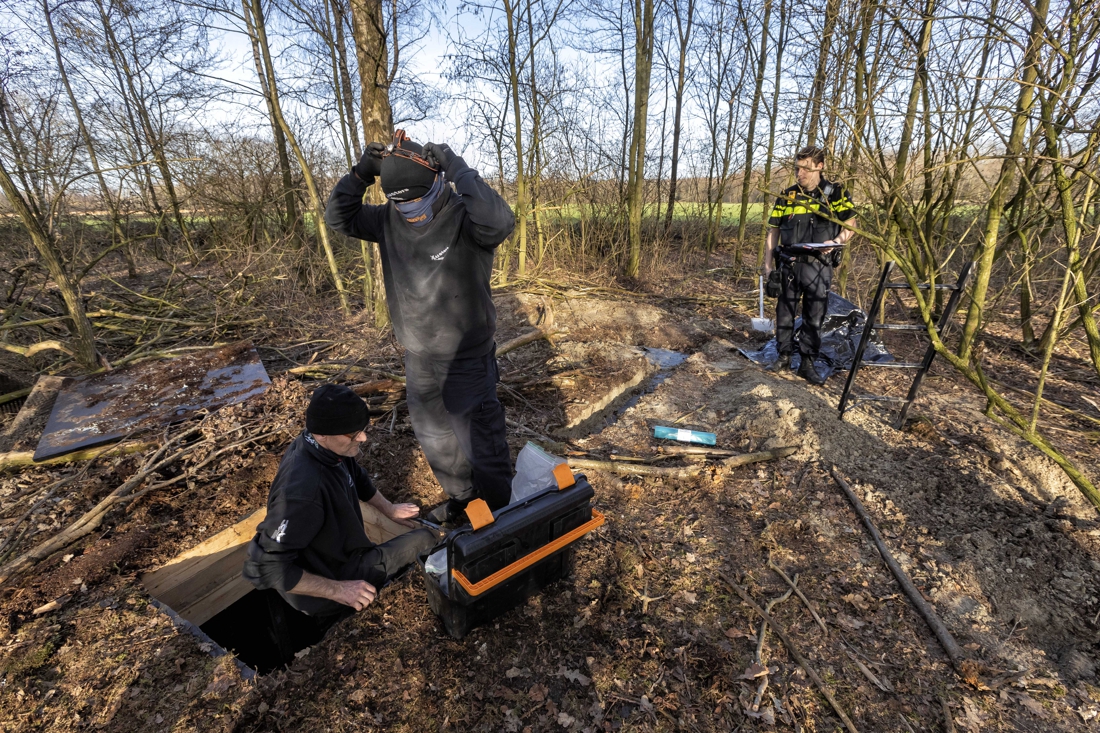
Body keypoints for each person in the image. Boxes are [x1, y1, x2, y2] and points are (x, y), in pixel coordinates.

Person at [324, 131, 515, 525]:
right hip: (418, 355)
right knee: (435, 437)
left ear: (437, 184)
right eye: (402, 203)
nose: (411, 211)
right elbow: (338, 217)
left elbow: (500, 221)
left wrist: (456, 165)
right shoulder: (387, 220)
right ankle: (465, 500)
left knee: (481, 442)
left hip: (466, 357)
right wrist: (361, 173)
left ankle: (499, 515)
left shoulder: (465, 217)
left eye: (417, 201)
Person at [243, 384, 440, 622]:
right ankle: (340, 617)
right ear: (322, 434)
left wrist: (389, 510)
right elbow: (265, 567)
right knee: (426, 540)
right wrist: (340, 590)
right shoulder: (303, 494)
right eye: (353, 434)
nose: (363, 438)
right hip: (330, 580)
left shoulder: (327, 448)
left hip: (343, 553)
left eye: (362, 429)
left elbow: (357, 477)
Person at [763, 146, 856, 385]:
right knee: (784, 313)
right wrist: (767, 266)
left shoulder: (834, 194)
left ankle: (807, 363)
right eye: (797, 168)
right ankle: (783, 356)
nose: (799, 173)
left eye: (805, 168)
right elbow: (773, 231)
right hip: (789, 265)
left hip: (818, 266)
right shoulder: (788, 195)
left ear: (819, 166)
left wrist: (836, 242)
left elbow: (851, 224)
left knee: (814, 317)